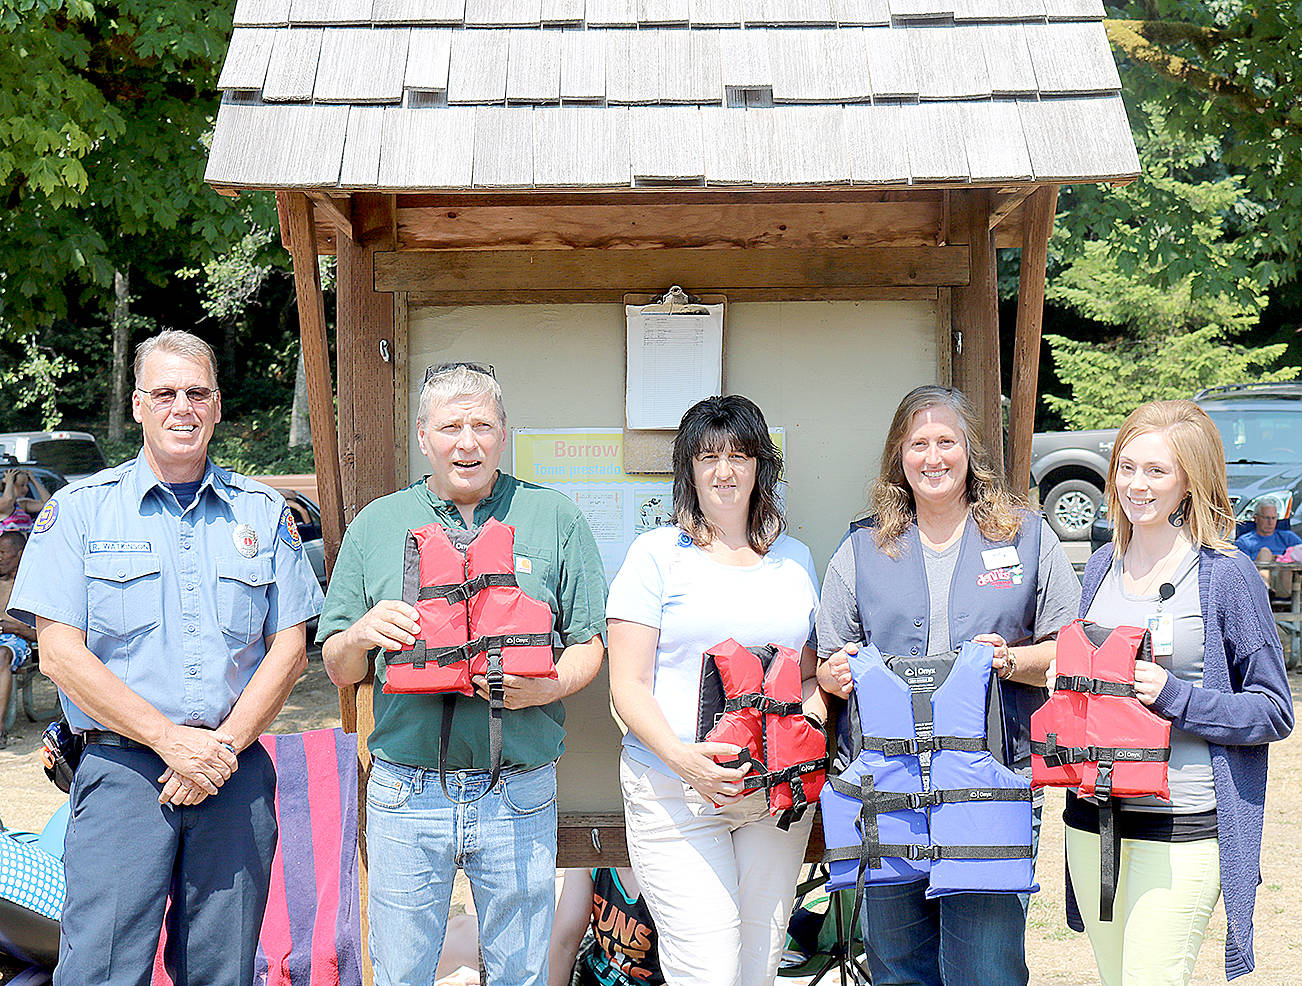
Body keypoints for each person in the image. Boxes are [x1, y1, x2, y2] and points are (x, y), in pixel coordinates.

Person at [4, 330, 323, 986]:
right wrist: (169, 741)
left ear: (218, 406)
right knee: (102, 968)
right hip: (122, 772)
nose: (184, 406)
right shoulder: (79, 512)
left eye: (197, 392)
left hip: (231, 773)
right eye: (166, 393)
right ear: (139, 406)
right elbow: (61, 655)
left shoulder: (263, 513)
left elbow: (290, 648)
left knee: (223, 970)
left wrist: (221, 749)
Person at [318, 361, 607, 986]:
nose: (467, 442)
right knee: (399, 975)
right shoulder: (376, 525)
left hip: (519, 791)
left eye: (481, 425)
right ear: (424, 437)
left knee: (522, 975)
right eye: (451, 426)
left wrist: (550, 685)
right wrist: (364, 632)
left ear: (504, 432)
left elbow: (589, 645)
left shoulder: (555, 518)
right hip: (405, 792)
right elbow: (337, 665)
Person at [817, 384, 1080, 986]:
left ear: (970, 452)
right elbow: (830, 658)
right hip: (888, 792)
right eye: (918, 444)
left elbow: (1070, 649)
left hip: (990, 785)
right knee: (899, 969)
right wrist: (834, 675)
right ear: (898, 457)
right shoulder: (859, 548)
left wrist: (1012, 661)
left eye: (946, 441)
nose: (933, 457)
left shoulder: (1027, 536)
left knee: (984, 970)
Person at [1066, 399, 1293, 985]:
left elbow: (1273, 710)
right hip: (1094, 823)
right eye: (1126, 466)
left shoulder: (1226, 575)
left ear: (1190, 481)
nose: (1135, 485)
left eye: (1156, 471)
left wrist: (1177, 696)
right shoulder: (1097, 569)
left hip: (1185, 824)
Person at [606, 394, 825, 986]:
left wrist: (809, 727)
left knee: (757, 967)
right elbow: (625, 686)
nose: (725, 471)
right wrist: (686, 763)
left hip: (772, 798)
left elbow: (809, 674)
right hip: (673, 791)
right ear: (689, 470)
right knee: (706, 967)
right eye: (709, 457)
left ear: (761, 467)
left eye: (739, 455)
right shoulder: (654, 556)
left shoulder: (797, 561)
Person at [549, 867, 664, 986]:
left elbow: (681, 973)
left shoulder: (672, 878)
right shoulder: (590, 857)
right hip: (594, 972)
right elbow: (563, 946)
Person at [0, 530, 36, 747]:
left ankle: (0, 727)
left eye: (4, 552)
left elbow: (37, 633)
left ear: (20, 554)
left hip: (18, 641)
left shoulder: (31, 585)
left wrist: (11, 627)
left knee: (2, 655)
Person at [1233, 500, 1301, 563]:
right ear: (1256, 519)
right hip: (1258, 573)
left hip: (1285, 573)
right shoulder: (1244, 542)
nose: (1270, 522)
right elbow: (1242, 567)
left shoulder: (1288, 537)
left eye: (1273, 518)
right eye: (1266, 518)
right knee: (1264, 553)